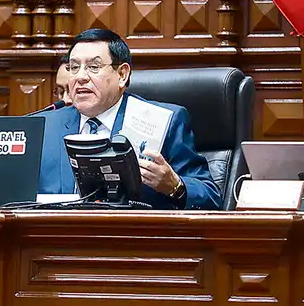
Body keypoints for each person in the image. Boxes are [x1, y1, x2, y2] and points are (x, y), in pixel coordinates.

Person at [38, 29, 221, 210]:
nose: (80, 77)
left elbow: (210, 196)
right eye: (74, 67)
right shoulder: (42, 126)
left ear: (122, 74)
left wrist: (174, 186)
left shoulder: (164, 121)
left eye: (93, 67)